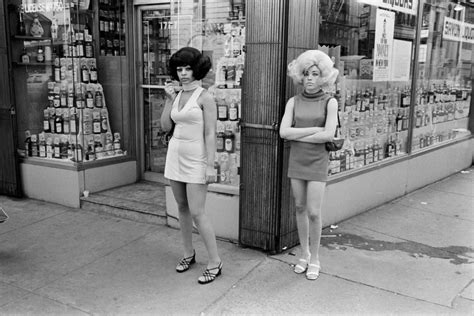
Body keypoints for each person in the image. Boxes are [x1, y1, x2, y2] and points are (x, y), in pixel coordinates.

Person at [161, 47, 222, 284]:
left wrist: (210, 165)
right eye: (179, 69)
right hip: (175, 154)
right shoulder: (175, 95)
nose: (184, 73)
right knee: (182, 207)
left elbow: (210, 133)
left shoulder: (205, 97)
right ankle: (188, 253)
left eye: (188, 68)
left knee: (198, 211)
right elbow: (166, 126)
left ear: (197, 69)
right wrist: (168, 100)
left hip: (197, 157)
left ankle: (215, 261)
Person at [279, 50, 339, 280]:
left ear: (323, 76)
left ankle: (315, 257)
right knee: (299, 208)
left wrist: (299, 135)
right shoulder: (293, 101)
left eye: (315, 74)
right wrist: (314, 130)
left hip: (317, 161)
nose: (310, 78)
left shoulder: (330, 102)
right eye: (306, 74)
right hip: (297, 160)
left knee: (314, 212)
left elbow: (328, 135)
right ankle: (303, 254)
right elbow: (284, 132)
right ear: (300, 77)